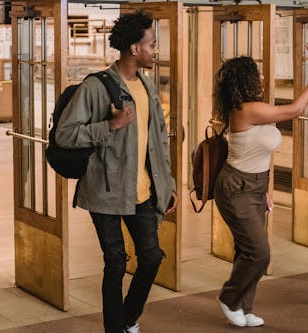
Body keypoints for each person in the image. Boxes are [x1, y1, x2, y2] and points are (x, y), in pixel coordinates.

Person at [55, 11, 177, 333]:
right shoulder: (96, 87)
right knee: (115, 263)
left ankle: (127, 320)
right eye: (152, 44)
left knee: (151, 257)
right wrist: (110, 124)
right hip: (105, 191)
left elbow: (159, 140)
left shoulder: (148, 88)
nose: (156, 50)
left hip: (143, 191)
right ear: (135, 49)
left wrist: (168, 183)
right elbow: (64, 134)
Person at [213, 43, 308, 327]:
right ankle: (228, 298)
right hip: (236, 187)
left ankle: (244, 307)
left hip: (256, 186)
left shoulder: (256, 109)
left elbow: (263, 153)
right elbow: (297, 109)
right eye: (256, 75)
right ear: (245, 81)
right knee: (260, 253)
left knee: (246, 250)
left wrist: (267, 190)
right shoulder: (246, 110)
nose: (262, 79)